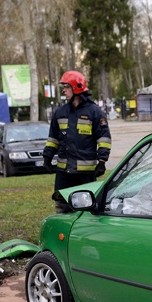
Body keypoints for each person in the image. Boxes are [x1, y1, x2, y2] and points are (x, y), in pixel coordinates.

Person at [43, 70, 112, 212]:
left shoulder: (94, 112)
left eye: (66, 87)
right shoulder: (60, 112)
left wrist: (102, 162)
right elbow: (53, 138)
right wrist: (47, 157)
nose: (64, 90)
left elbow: (104, 139)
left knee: (84, 210)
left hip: (85, 174)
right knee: (62, 207)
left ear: (76, 88)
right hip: (63, 173)